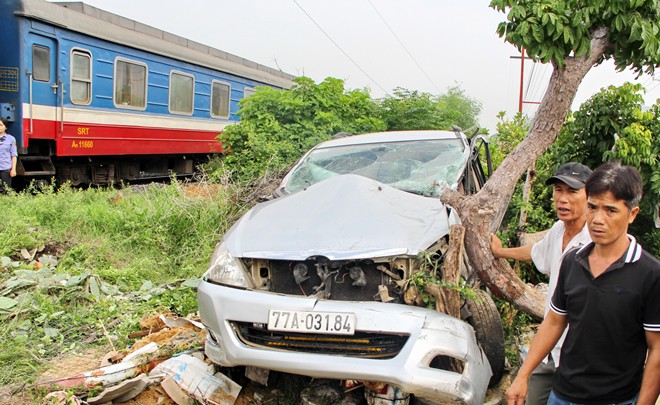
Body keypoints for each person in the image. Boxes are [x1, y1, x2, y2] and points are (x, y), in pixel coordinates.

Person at [507, 161, 660, 405]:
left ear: (632, 214)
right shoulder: (572, 261)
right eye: (593, 207)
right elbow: (555, 321)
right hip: (563, 394)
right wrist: (523, 374)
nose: (598, 219)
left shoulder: (649, 273)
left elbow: (657, 350)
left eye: (610, 210)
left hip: (615, 398)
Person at [491, 162, 592, 405]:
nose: (563, 199)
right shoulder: (558, 229)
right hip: (549, 348)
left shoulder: (595, 242)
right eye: (559, 190)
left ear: (591, 196)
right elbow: (536, 252)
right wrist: (500, 252)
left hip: (582, 358)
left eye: (572, 191)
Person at [0, 120, 17, 192]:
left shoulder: (11, 139)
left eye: (1, 125)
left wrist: (13, 169)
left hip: (5, 168)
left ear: (6, 127)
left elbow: (14, 155)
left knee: (6, 190)